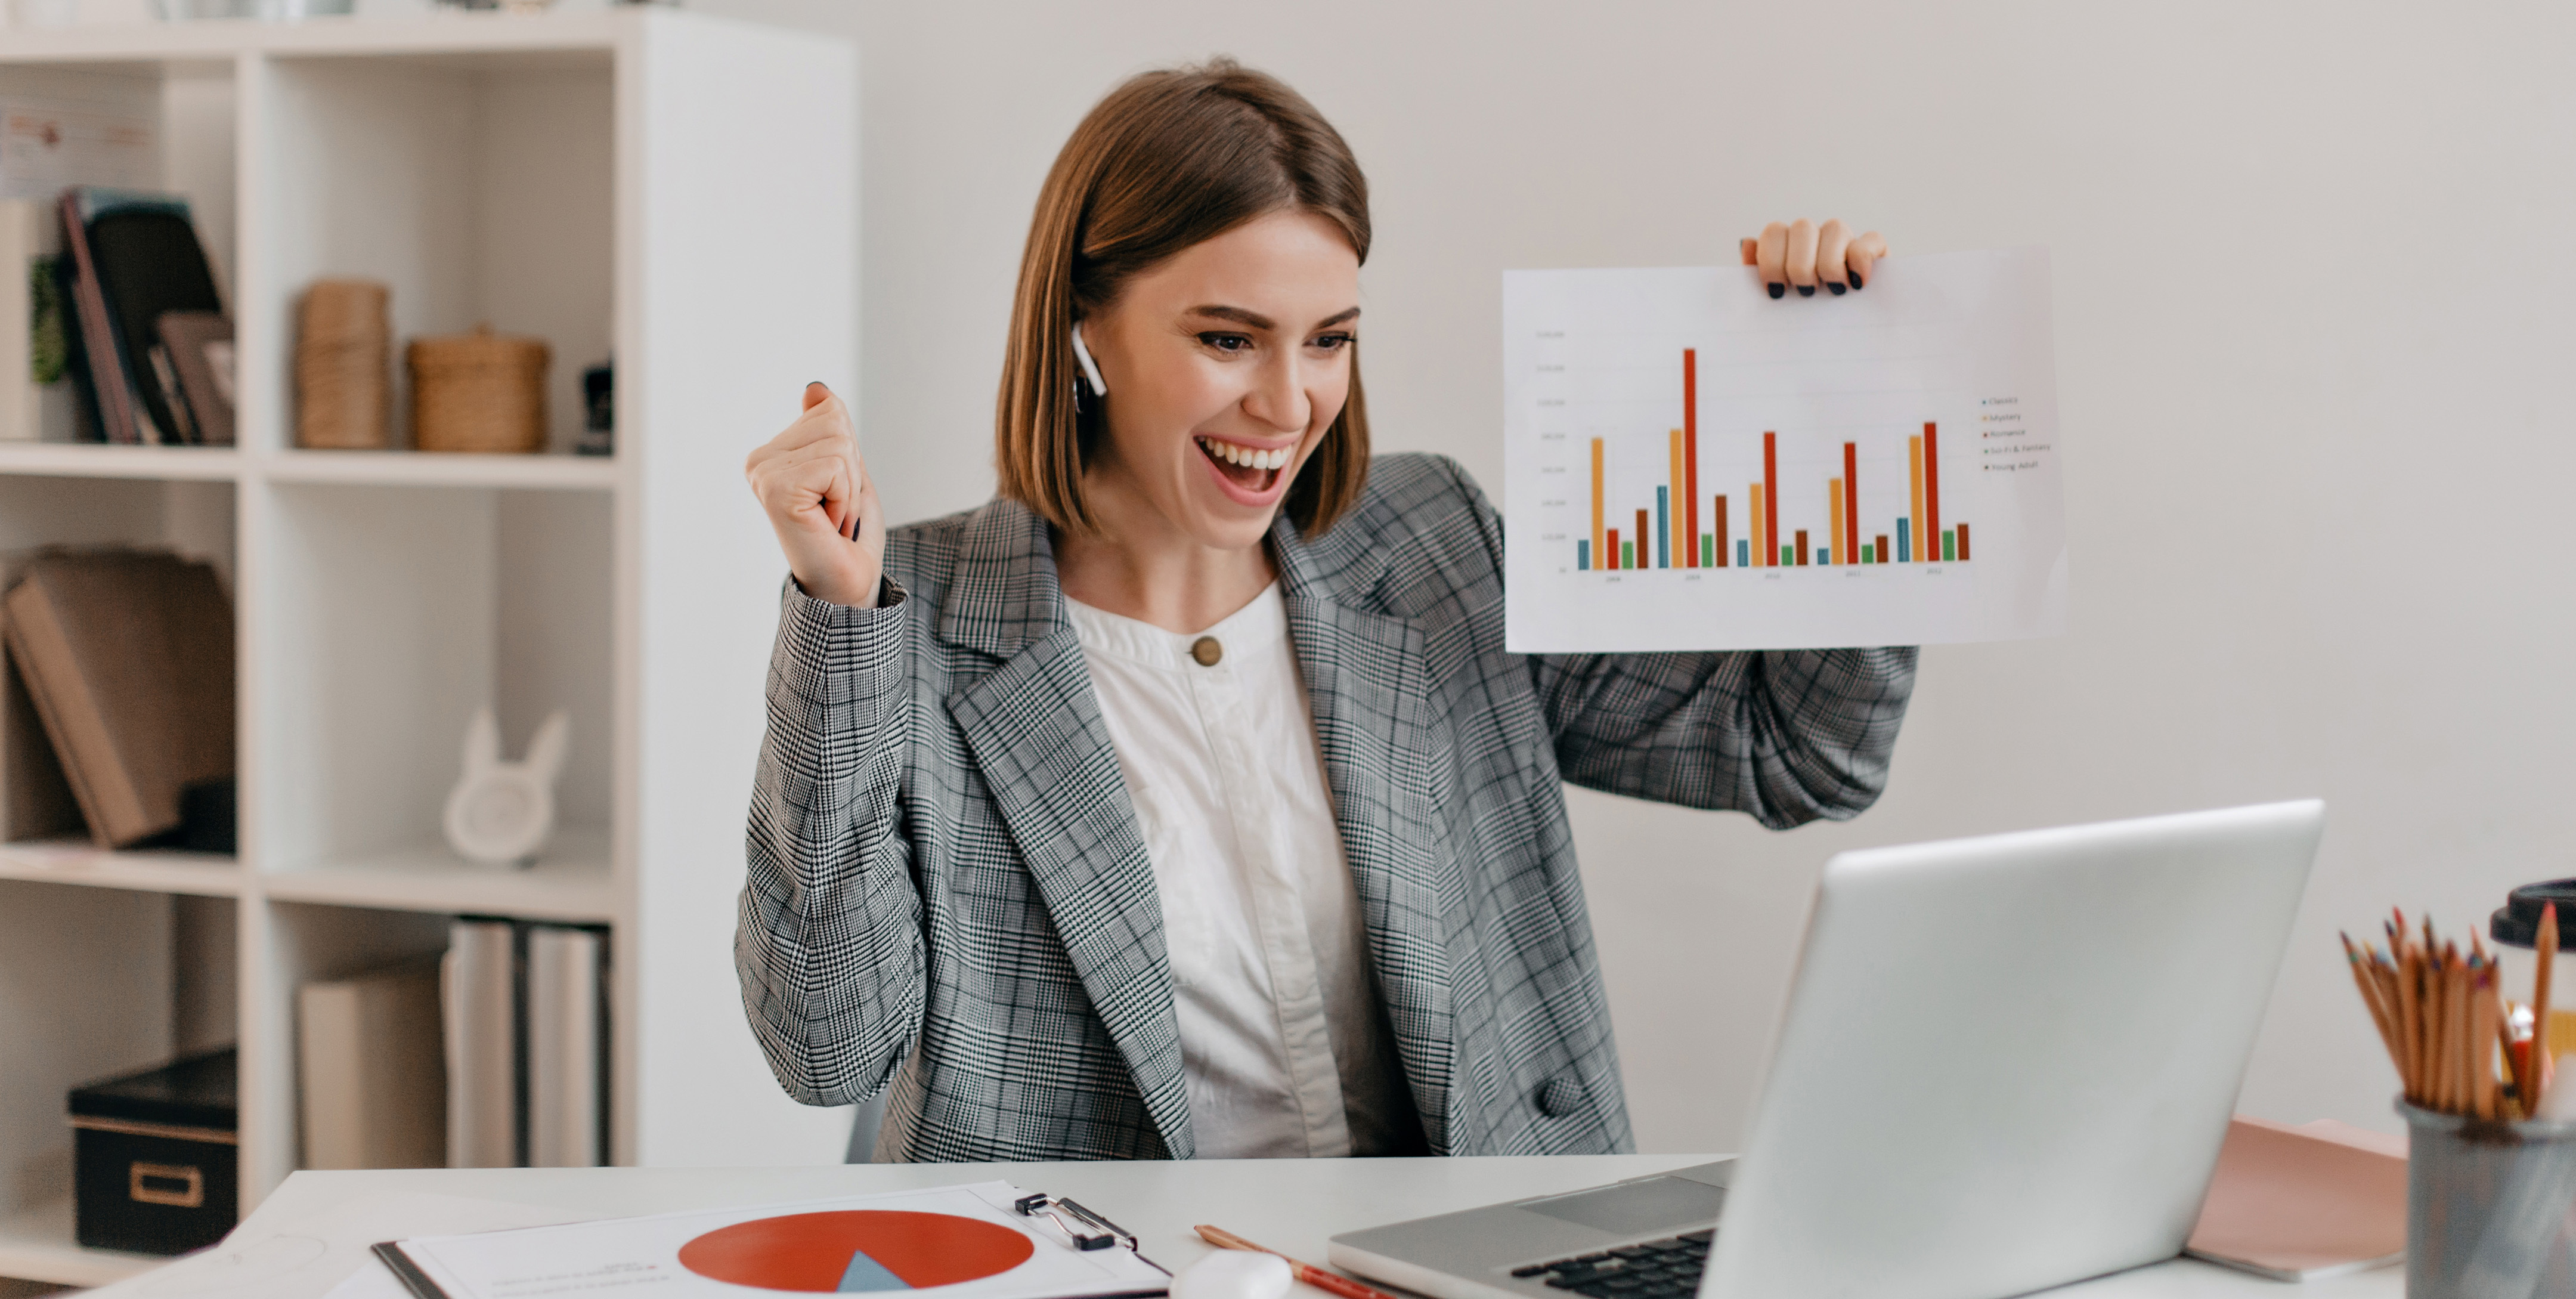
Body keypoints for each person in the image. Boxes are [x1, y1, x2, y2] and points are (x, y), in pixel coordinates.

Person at [737, 59, 1915, 1162]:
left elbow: (1801, 754)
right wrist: (839, 616)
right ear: (1084, 327)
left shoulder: (1433, 543)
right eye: (1226, 339)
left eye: (1330, 342)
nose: (1288, 402)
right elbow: (826, 1046)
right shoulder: (916, 618)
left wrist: (1833, 420)